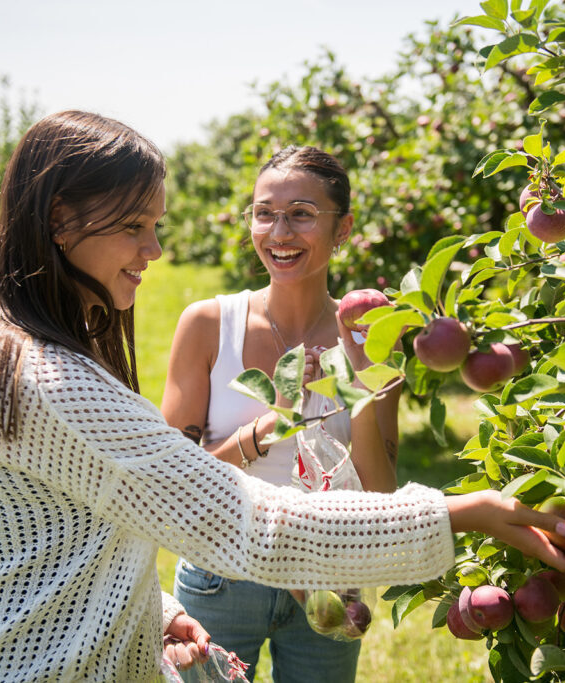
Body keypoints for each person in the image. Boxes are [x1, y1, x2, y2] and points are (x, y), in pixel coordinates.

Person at [0, 110, 565, 683]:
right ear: (60, 219)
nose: (155, 248)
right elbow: (245, 522)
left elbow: (67, 544)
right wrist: (458, 513)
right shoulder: (52, 382)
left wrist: (154, 613)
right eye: (135, 225)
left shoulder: (18, 351)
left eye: (155, 224)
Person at [160, 146, 402, 682]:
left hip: (331, 576)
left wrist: (362, 382)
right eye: (264, 212)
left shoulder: (372, 334)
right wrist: (266, 429)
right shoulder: (207, 325)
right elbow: (171, 486)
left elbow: (382, 495)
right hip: (223, 570)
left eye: (301, 213)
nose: (279, 232)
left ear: (343, 229)